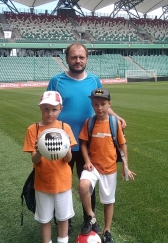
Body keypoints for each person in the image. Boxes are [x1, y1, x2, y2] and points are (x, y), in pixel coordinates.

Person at [47, 42, 126, 234]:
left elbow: (102, 103)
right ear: (67, 59)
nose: (78, 60)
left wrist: (115, 116)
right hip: (61, 143)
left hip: (86, 145)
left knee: (88, 184)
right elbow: (48, 108)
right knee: (60, 184)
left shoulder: (94, 80)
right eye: (74, 57)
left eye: (81, 57)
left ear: (87, 59)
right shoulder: (56, 81)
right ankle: (64, 219)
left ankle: (89, 219)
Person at [78, 88, 136, 243]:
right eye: (96, 104)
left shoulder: (114, 122)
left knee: (108, 201)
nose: (99, 108)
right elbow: (83, 144)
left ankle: (107, 231)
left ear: (109, 104)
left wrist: (125, 166)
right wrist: (87, 161)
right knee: (83, 186)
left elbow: (122, 146)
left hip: (109, 168)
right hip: (93, 167)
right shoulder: (89, 122)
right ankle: (91, 216)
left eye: (103, 104)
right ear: (92, 105)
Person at [23, 91, 77, 243]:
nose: (50, 113)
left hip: (62, 181)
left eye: (54, 109)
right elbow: (34, 159)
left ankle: (62, 240)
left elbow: (69, 159)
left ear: (61, 108)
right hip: (42, 182)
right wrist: (39, 151)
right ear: (41, 108)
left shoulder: (64, 128)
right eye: (46, 108)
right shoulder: (33, 129)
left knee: (63, 217)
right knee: (45, 218)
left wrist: (65, 148)